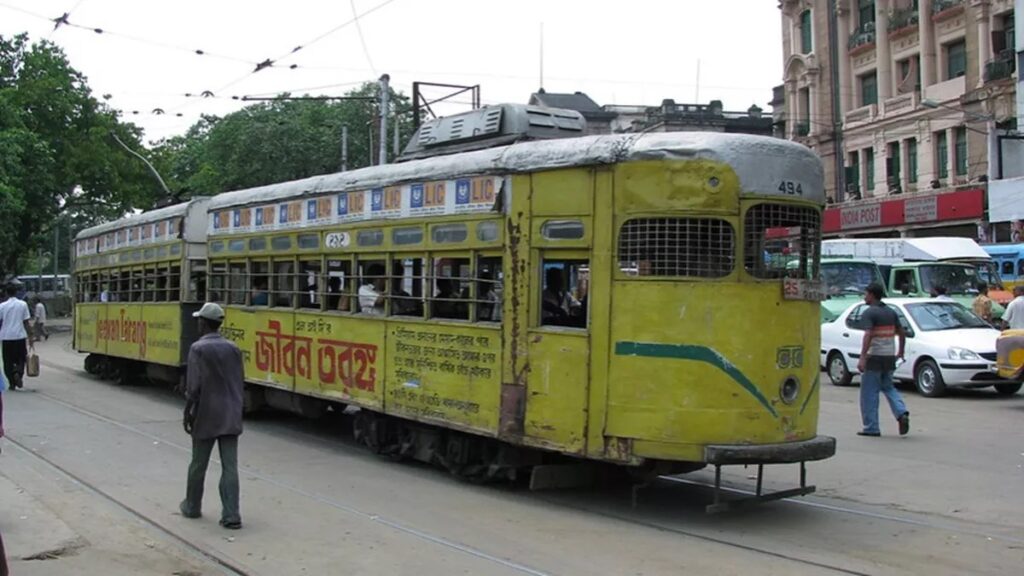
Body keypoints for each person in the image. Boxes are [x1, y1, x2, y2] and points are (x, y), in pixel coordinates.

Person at [180, 302, 244, 530]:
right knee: (230, 466)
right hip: (231, 412)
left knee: (198, 463)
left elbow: (193, 388)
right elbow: (239, 381)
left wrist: (188, 413)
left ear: (203, 323)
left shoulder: (198, 349)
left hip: (206, 413)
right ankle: (231, 514)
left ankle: (192, 505)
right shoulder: (233, 348)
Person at [856, 283, 910, 437]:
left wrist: (862, 357)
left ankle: (871, 427)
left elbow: (868, 335)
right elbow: (901, 332)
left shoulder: (869, 313)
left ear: (872, 295)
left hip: (874, 357)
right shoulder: (891, 312)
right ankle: (901, 412)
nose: (864, 297)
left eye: (866, 294)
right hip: (889, 356)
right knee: (888, 387)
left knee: (869, 393)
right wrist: (900, 351)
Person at [0, 284, 32, 390]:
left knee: (7, 360)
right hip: (19, 336)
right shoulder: (23, 304)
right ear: (16, 292)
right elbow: (26, 322)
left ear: (6, 293)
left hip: (6, 337)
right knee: (21, 359)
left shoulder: (2, 306)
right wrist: (31, 337)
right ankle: (18, 372)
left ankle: (11, 382)